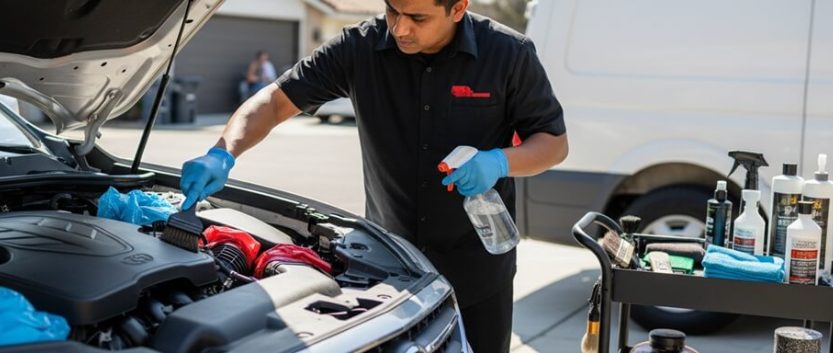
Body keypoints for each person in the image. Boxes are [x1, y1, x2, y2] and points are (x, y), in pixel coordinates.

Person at [180, 0, 568, 351]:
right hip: (389, 265)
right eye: (392, 10)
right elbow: (274, 100)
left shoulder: (507, 54)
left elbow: (553, 143)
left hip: (478, 271)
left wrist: (499, 162)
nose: (400, 28)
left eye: (417, 17)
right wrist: (223, 151)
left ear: (458, 7)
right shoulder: (359, 48)